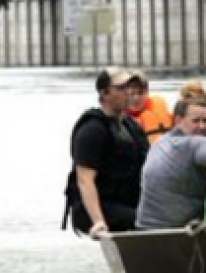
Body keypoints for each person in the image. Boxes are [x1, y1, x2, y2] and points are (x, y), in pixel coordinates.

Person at [63, 67, 150, 238]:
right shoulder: (92, 129)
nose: (128, 93)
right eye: (121, 88)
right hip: (97, 207)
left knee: (165, 218)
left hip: (127, 202)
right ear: (105, 93)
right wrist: (98, 222)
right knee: (147, 221)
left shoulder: (131, 126)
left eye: (129, 88)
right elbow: (85, 179)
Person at [136, 96, 206, 229]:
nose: (202, 126)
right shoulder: (189, 144)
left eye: (205, 121)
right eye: (195, 121)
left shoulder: (160, 142)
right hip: (173, 231)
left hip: (143, 227)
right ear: (178, 120)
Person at [125, 69, 173, 144]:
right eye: (131, 94)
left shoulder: (160, 107)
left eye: (140, 93)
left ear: (147, 92)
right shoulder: (116, 118)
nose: (136, 98)